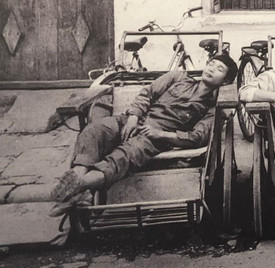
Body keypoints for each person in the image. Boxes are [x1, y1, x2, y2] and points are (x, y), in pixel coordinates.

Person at [49, 54, 239, 217]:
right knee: (93, 131)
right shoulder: (177, 77)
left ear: (226, 81)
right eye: (212, 63)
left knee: (124, 155)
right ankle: (77, 189)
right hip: (132, 120)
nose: (212, 69)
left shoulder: (212, 109)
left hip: (154, 137)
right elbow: (147, 94)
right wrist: (133, 117)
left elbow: (196, 137)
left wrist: (161, 134)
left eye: (220, 69)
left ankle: (79, 185)